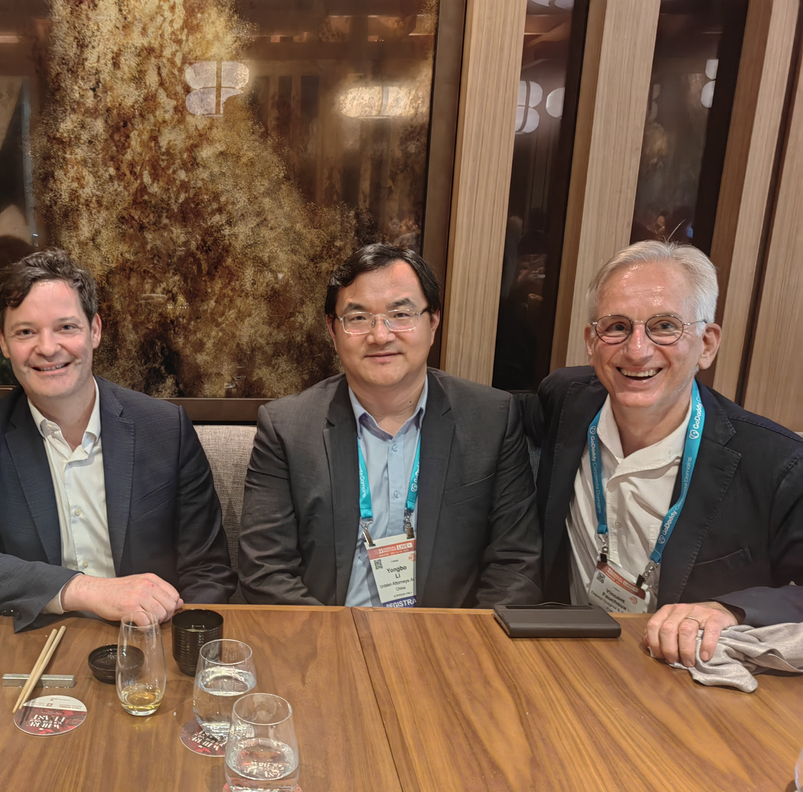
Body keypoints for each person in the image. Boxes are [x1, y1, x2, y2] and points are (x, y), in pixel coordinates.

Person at [0, 248, 234, 630]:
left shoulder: (165, 429)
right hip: (39, 641)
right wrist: (85, 590)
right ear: (3, 343)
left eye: (66, 327)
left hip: (151, 638)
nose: (48, 348)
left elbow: (208, 570)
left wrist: (177, 646)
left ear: (95, 330)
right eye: (25, 332)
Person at [532, 241, 803, 667]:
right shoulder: (565, 401)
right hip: (565, 661)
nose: (637, 349)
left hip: (682, 680)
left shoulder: (776, 463)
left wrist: (730, 610)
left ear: (707, 344)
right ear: (591, 342)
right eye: (617, 326)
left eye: (664, 326)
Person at [239, 243, 541, 608]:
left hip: (446, 638)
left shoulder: (492, 419)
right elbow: (266, 571)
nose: (380, 335)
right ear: (333, 330)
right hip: (329, 632)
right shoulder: (286, 428)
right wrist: (336, 638)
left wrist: (461, 643)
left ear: (433, 322)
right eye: (358, 318)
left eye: (400, 314)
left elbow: (516, 566)